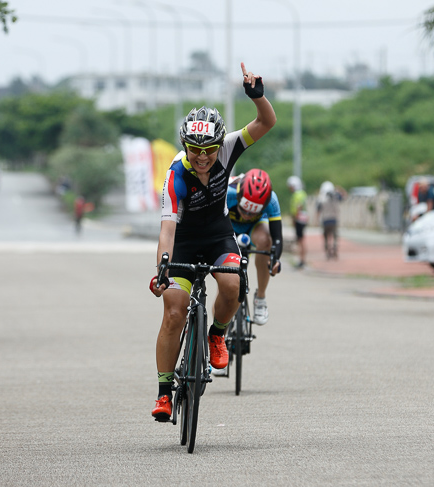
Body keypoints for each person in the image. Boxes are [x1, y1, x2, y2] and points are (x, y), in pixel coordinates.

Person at [149, 62, 277, 421]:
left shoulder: (228, 148)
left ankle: (217, 335)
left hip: (219, 235)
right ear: (184, 145)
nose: (203, 157)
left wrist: (258, 97)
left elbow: (266, 123)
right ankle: (163, 393)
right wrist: (162, 266)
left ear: (219, 144)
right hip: (184, 242)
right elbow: (167, 230)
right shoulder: (175, 174)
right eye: (195, 150)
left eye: (209, 150)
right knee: (173, 312)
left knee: (233, 286)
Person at [227, 169, 283, 325]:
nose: (246, 215)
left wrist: (275, 259)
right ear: (238, 196)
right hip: (229, 226)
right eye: (244, 209)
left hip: (255, 229)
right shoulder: (227, 192)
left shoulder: (271, 200)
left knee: (266, 241)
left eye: (252, 212)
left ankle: (261, 298)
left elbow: (277, 237)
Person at [316, 181, 347, 260]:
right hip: (334, 220)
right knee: (335, 236)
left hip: (325, 220)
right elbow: (345, 196)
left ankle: (328, 251)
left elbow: (318, 210)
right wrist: (340, 189)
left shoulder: (321, 199)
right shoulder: (336, 197)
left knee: (326, 237)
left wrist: (316, 220)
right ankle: (334, 249)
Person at [287, 175, 308, 269]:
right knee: (301, 239)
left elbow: (298, 206)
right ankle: (302, 259)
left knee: (301, 240)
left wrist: (294, 218)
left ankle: (302, 260)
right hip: (303, 219)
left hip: (299, 219)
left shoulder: (297, 194)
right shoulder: (302, 193)